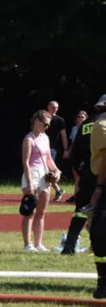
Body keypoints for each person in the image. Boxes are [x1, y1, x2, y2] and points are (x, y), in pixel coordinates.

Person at [21, 110, 63, 251]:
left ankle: (38, 243)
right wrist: (30, 183)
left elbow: (48, 159)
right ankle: (28, 244)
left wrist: (56, 170)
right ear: (36, 121)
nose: (46, 127)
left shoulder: (45, 137)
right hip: (32, 174)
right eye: (45, 124)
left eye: (48, 125)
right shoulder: (29, 139)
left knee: (41, 211)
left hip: (44, 174)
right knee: (30, 210)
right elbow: (25, 162)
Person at [60, 103, 98, 255]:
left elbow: (74, 153)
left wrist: (82, 172)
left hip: (87, 175)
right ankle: (97, 246)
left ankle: (69, 246)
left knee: (80, 211)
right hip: (101, 176)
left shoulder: (85, 125)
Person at [84, 96, 106, 298]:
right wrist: (99, 188)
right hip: (103, 183)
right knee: (99, 234)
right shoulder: (101, 126)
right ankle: (102, 281)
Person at [45, 100, 66, 201]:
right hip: (41, 147)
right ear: (48, 107)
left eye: (56, 108)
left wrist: (66, 149)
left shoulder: (60, 120)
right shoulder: (43, 118)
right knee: (45, 171)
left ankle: (56, 190)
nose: (55, 109)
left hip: (52, 148)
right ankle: (58, 190)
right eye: (53, 107)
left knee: (48, 171)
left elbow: (63, 135)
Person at [66, 110, 88, 199]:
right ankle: (76, 195)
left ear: (86, 118)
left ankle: (81, 195)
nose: (79, 119)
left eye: (82, 117)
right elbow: (72, 142)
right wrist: (68, 151)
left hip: (84, 155)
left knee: (83, 176)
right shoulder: (74, 129)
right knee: (76, 176)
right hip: (75, 154)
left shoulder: (87, 128)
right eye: (78, 117)